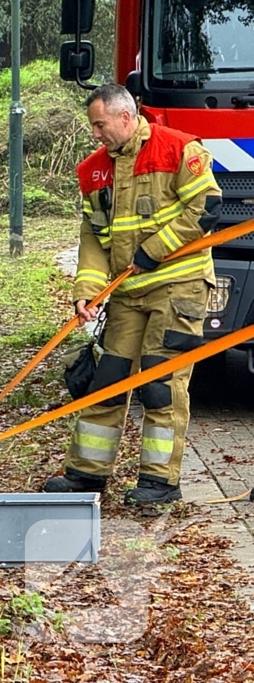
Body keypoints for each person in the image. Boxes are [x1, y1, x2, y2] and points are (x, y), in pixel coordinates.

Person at [44, 83, 222, 504]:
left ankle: (160, 482)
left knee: (160, 386)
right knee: (107, 381)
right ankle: (86, 475)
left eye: (99, 125)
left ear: (125, 117)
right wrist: (87, 291)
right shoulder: (93, 170)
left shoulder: (178, 149)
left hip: (178, 289)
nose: (95, 134)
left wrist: (152, 250)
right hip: (127, 295)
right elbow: (93, 237)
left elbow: (206, 209)